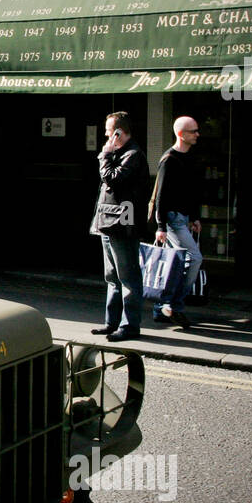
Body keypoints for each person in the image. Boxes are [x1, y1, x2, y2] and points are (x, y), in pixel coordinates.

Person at [91, 111, 149, 341]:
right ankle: (111, 322)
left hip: (122, 224)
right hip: (109, 223)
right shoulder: (120, 153)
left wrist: (105, 154)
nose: (105, 135)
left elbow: (112, 178)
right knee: (112, 277)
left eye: (108, 131)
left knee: (128, 277)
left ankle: (129, 326)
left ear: (118, 133)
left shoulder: (133, 155)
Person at [150, 116, 204, 328]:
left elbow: (190, 191)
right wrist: (161, 227)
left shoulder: (189, 156)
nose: (197, 134)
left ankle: (163, 307)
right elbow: (161, 196)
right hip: (172, 219)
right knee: (194, 257)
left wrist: (195, 217)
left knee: (177, 265)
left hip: (183, 218)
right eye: (193, 131)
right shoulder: (169, 159)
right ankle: (175, 305)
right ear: (181, 134)